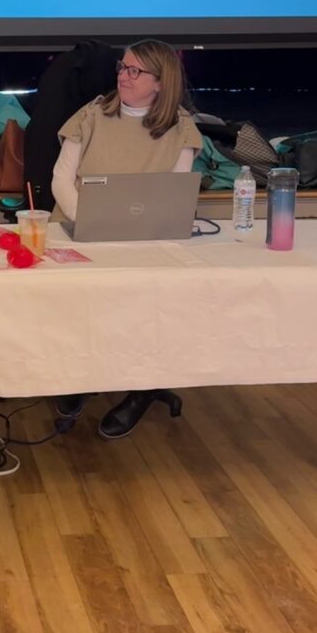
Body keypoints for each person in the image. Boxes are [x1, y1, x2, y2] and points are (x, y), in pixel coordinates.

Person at [51, 38, 202, 439]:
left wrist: (135, 234)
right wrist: (91, 224)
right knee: (76, 305)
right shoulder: (92, 115)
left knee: (153, 303)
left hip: (144, 241)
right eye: (122, 67)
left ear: (160, 82)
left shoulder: (181, 128)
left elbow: (174, 195)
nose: (123, 75)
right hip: (81, 233)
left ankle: (142, 389)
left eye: (135, 71)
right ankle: (77, 377)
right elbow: (61, 180)